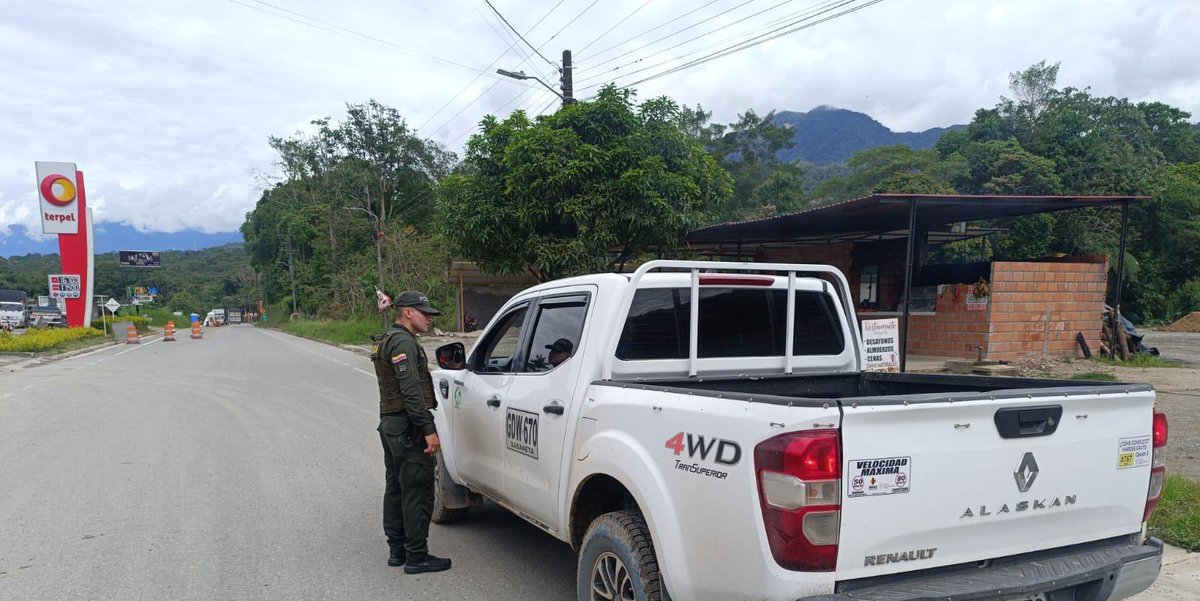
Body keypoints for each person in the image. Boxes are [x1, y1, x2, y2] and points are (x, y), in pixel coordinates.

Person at [370, 291, 452, 574]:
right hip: (407, 426)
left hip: (391, 424)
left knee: (395, 487)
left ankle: (397, 551)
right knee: (417, 489)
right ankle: (416, 556)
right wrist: (428, 429)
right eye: (424, 313)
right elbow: (411, 392)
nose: (429, 318)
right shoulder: (403, 341)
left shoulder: (389, 338)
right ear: (407, 312)